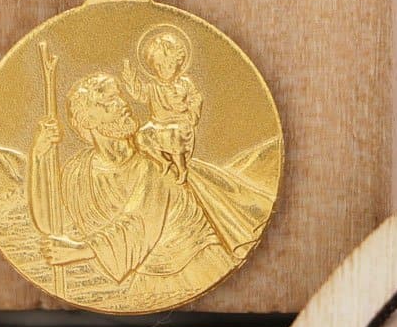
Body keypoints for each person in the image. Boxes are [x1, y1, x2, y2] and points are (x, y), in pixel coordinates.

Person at [28, 71, 267, 303]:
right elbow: (49, 224)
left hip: (195, 267)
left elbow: (141, 220)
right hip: (148, 278)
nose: (123, 104)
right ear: (88, 120)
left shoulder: (155, 156)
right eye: (109, 101)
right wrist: (39, 156)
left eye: (120, 96)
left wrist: (81, 250)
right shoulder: (77, 172)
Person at [121, 26, 201, 183]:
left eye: (168, 65)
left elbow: (195, 98)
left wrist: (191, 111)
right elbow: (140, 94)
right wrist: (130, 80)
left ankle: (182, 169)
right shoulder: (153, 86)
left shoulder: (185, 84)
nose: (163, 70)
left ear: (178, 64)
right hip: (157, 125)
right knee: (140, 137)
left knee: (173, 136)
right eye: (158, 66)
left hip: (179, 125)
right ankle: (162, 161)